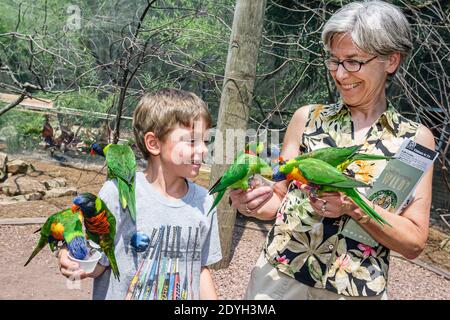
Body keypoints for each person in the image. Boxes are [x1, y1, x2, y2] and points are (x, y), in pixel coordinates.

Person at [230, 0, 435, 300]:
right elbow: (278, 200)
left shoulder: (415, 139)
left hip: (355, 289)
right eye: (335, 61)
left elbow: (413, 242)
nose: (340, 75)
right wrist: (251, 201)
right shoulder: (306, 119)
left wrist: (355, 208)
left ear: (391, 60)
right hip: (279, 281)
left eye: (353, 61)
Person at [57, 88, 222, 300]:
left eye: (205, 141)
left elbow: (200, 269)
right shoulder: (117, 194)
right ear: (153, 144)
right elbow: (98, 265)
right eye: (192, 141)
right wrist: (69, 258)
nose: (204, 150)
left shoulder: (205, 201)